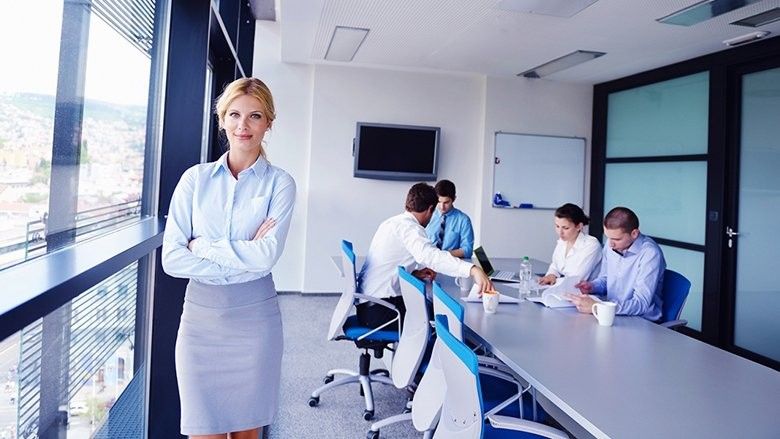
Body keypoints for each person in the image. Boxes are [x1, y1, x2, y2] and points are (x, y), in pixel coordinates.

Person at [161, 78, 295, 439]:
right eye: (234, 114)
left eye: (255, 116)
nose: (243, 125)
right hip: (200, 323)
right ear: (221, 120)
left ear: (268, 123)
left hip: (254, 321)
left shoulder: (280, 184)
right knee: (202, 433)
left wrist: (202, 245)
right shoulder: (195, 180)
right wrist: (243, 252)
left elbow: (266, 258)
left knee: (247, 435)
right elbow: (172, 260)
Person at [357, 183, 492, 330]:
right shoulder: (411, 229)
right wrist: (473, 269)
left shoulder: (391, 223)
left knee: (431, 307)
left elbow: (392, 264)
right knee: (445, 315)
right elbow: (432, 257)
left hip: (369, 304)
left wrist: (414, 273)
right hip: (380, 311)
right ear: (430, 209)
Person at [567, 207, 665, 321]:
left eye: (617, 239)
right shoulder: (611, 244)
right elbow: (606, 279)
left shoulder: (650, 254)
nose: (611, 244)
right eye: (608, 237)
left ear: (634, 233)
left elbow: (641, 304)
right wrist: (592, 286)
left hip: (640, 319)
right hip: (612, 312)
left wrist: (598, 306)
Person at [538, 203, 601, 286]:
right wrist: (551, 275)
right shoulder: (562, 241)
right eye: (557, 226)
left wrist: (555, 279)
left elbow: (576, 279)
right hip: (562, 289)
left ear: (579, 226)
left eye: (565, 228)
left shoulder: (591, 244)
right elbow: (555, 266)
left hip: (584, 294)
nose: (560, 232)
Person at [425, 179, 474, 258]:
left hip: (451, 264)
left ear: (454, 199)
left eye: (446, 202)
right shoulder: (427, 215)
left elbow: (467, 250)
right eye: (439, 202)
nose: (442, 207)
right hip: (427, 264)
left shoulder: (463, 220)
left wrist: (442, 255)